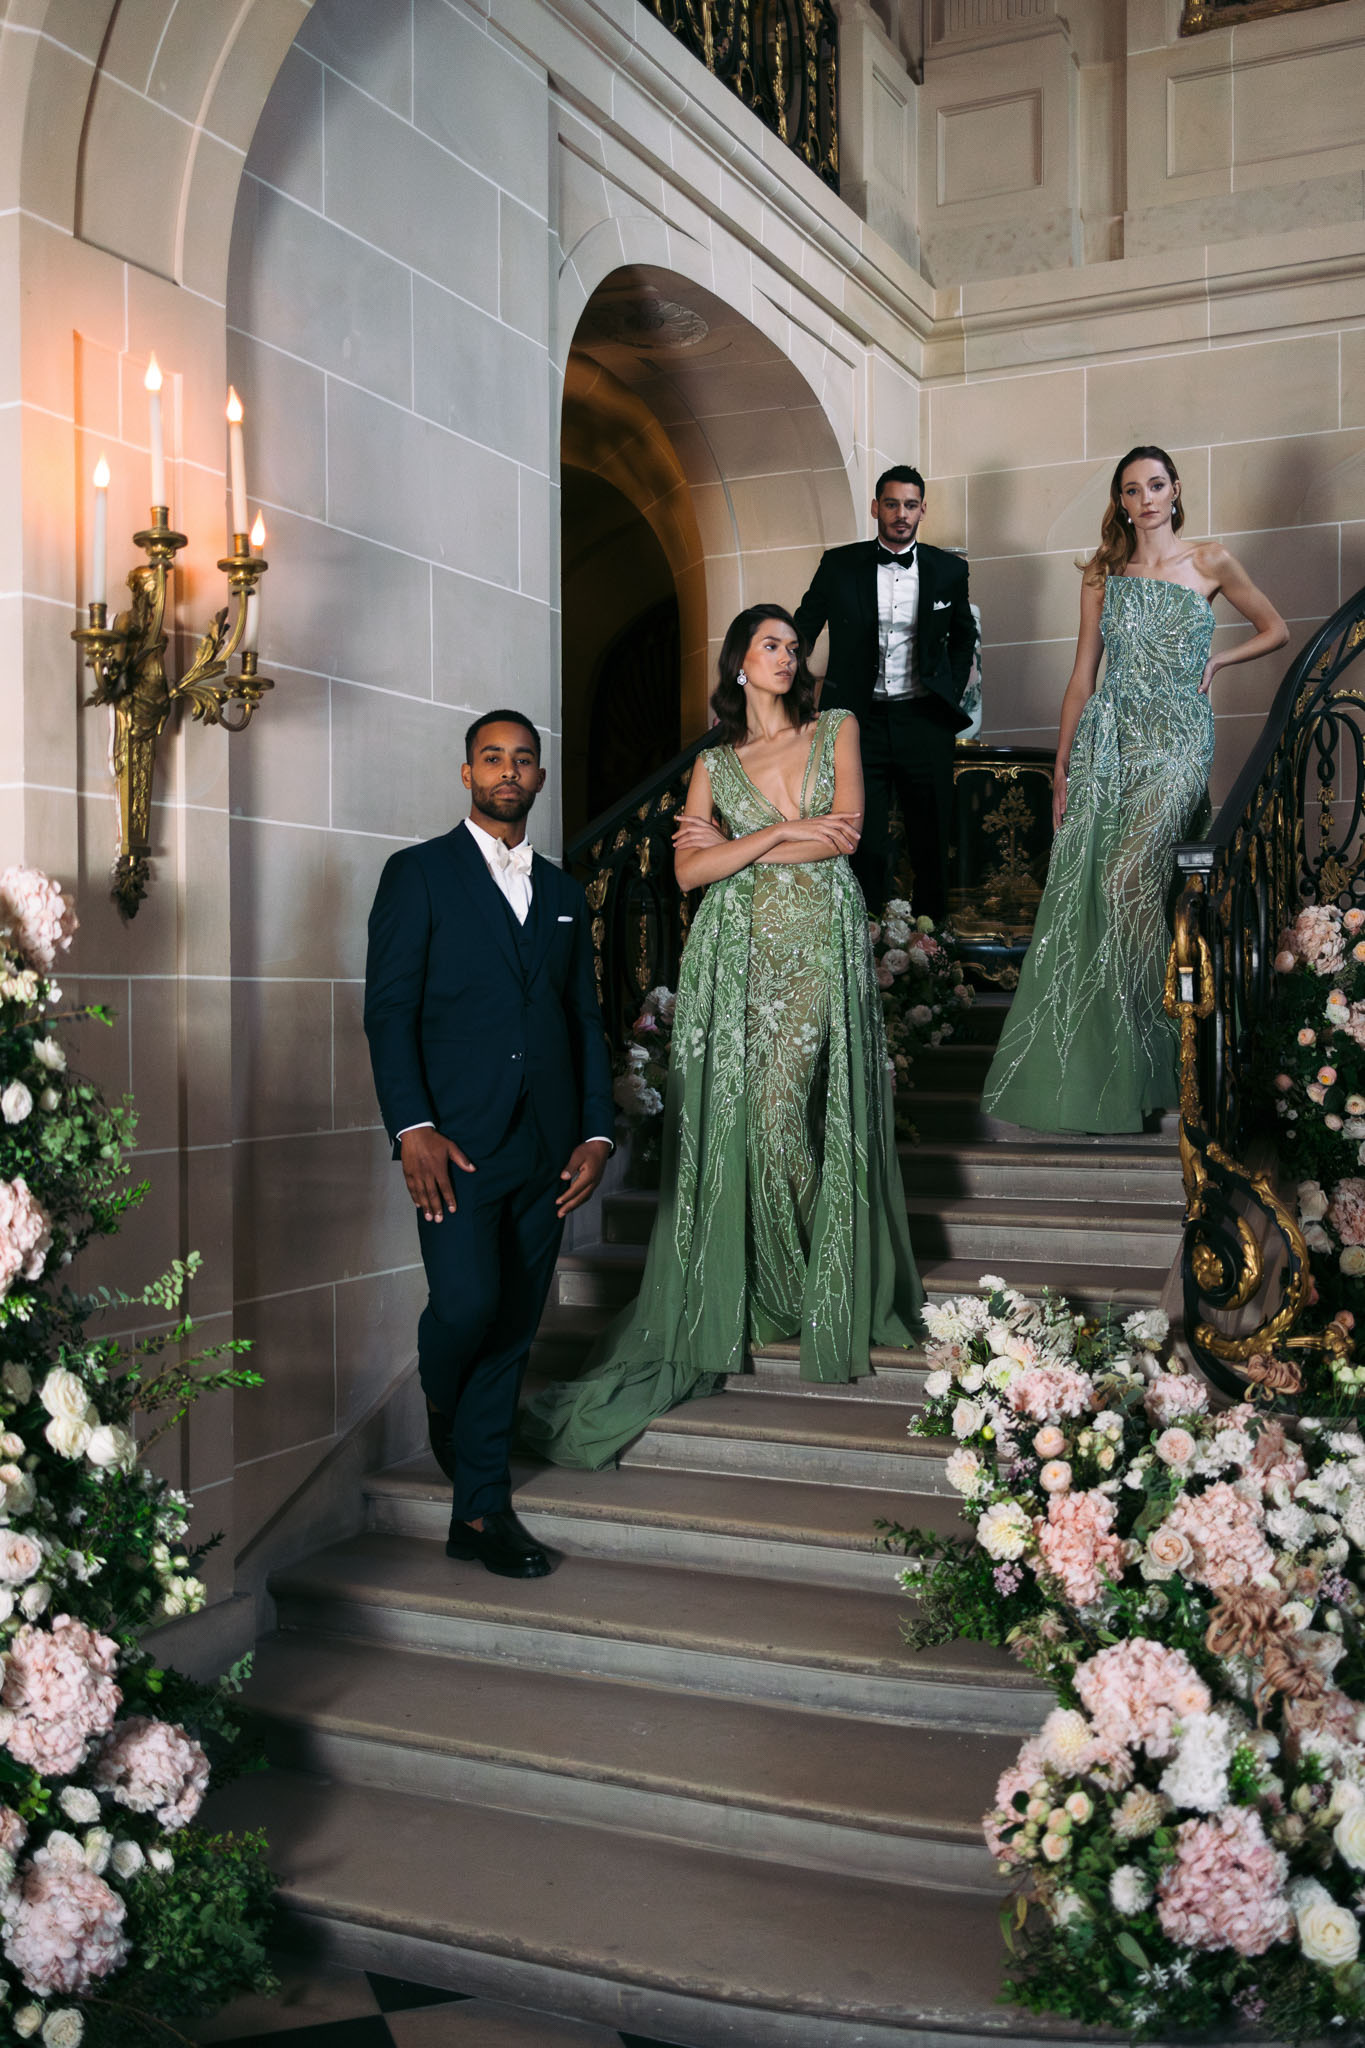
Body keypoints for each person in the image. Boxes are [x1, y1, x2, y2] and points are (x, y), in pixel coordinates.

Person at [519, 607, 923, 1472]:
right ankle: (774, 1281)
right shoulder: (710, 763)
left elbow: (843, 836)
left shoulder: (836, 728)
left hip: (814, 935)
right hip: (733, 951)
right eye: (769, 646)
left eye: (791, 647)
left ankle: (825, 1277)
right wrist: (779, 834)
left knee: (785, 1111)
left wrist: (744, 841)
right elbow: (688, 872)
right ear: (738, 662)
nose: (785, 657)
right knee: (751, 1117)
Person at [363, 711, 614, 1577]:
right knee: (467, 1307)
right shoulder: (418, 874)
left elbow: (584, 1020)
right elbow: (388, 1011)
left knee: (513, 1324)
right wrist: (411, 1129)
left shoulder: (565, 894)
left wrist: (595, 1131)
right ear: (466, 774)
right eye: (492, 759)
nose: (509, 771)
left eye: (524, 760)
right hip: (456, 1144)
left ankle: (479, 1514)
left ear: (539, 778)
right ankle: (444, 1396)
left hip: (546, 1145)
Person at [982, 445, 1288, 1134]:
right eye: (1131, 489)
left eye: (1156, 484)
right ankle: (1134, 1057)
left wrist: (1219, 657)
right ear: (1120, 501)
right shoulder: (1101, 574)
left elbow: (1276, 630)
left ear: (1175, 490)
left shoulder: (1209, 560)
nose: (1146, 497)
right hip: (1109, 740)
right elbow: (1081, 674)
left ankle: (1174, 1040)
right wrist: (1060, 765)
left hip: (1177, 736)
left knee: (1128, 883)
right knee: (1104, 891)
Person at [794, 465, 977, 921]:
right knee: (863, 844)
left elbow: (963, 637)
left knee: (931, 843)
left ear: (922, 511)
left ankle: (933, 953)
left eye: (910, 505)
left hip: (923, 721)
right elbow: (803, 629)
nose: (901, 514)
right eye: (892, 504)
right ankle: (862, 952)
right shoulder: (838, 564)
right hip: (858, 723)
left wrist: (947, 694)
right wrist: (786, 689)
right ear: (876, 507)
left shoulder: (949, 570)